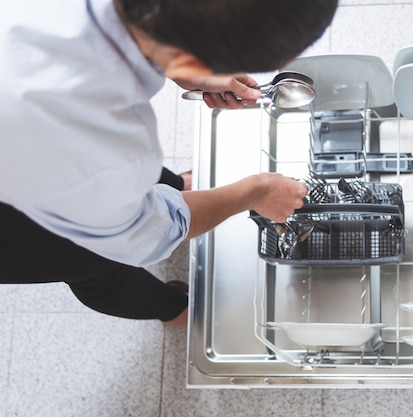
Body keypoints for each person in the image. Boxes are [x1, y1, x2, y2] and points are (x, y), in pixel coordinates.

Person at [0, 0, 338, 328]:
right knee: (91, 261)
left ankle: (174, 186)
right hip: (21, 190)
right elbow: (148, 231)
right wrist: (256, 191)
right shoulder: (102, 150)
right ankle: (175, 310)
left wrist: (174, 63)